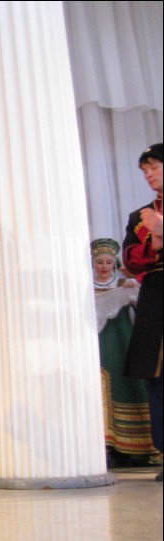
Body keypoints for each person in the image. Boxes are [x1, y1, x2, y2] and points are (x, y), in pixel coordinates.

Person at [92, 238, 160, 468]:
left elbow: (145, 308)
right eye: (99, 261)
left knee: (125, 386)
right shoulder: (84, 286)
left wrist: (131, 289)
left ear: (114, 263)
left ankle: (134, 447)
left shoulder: (124, 283)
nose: (103, 266)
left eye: (108, 262)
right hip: (97, 344)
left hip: (120, 343)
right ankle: (102, 445)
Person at [122, 143, 164, 482]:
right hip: (156, 296)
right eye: (144, 169)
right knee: (157, 376)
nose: (148, 174)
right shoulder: (140, 216)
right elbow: (130, 260)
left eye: (154, 166)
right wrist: (155, 242)